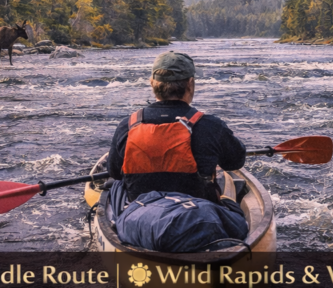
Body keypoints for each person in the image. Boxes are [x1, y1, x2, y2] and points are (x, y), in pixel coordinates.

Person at [106, 51, 247, 204]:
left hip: (140, 211)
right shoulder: (211, 126)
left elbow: (114, 172)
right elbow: (235, 162)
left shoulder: (128, 125)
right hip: (196, 212)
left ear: (152, 83)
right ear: (190, 84)